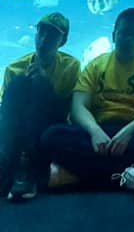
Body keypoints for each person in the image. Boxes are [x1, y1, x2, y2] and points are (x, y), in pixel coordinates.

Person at [41, 7, 134, 194]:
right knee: (51, 136)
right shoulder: (96, 65)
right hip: (99, 131)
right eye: (123, 33)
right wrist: (95, 131)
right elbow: (78, 107)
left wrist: (128, 131)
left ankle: (78, 176)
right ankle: (129, 175)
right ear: (114, 35)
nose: (128, 38)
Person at [0, 12, 79, 202]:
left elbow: (66, 110)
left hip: (51, 126)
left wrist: (45, 82)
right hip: (20, 129)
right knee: (19, 82)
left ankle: (23, 166)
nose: (44, 40)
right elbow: (7, 114)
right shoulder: (13, 68)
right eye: (41, 33)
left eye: (51, 35)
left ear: (63, 40)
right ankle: (7, 162)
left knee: (37, 84)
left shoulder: (71, 66)